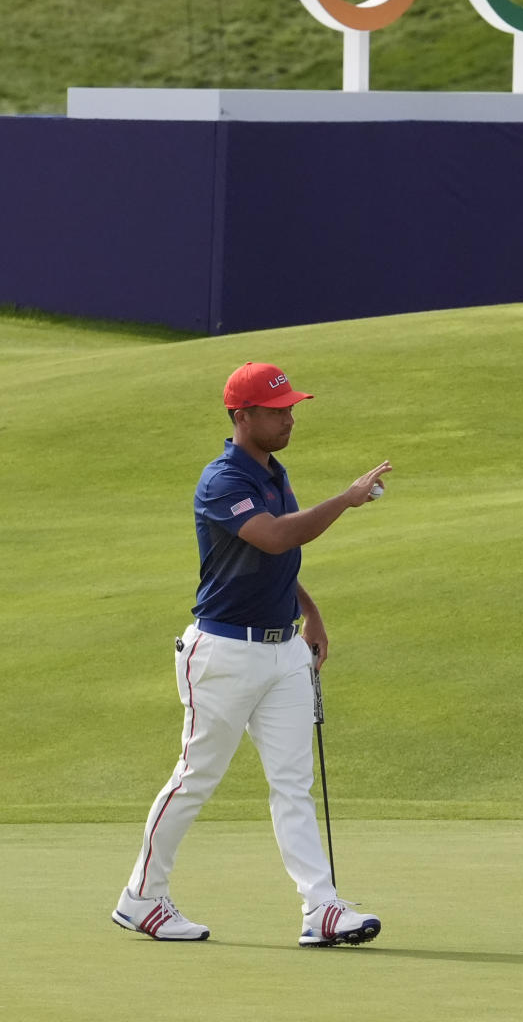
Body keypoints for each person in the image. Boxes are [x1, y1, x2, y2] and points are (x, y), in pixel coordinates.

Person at [112, 361, 391, 946]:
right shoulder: (222, 480)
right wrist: (346, 499)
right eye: (276, 410)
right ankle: (141, 896)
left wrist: (309, 613)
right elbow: (273, 536)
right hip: (221, 652)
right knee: (196, 777)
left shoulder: (272, 472)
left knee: (293, 782)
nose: (289, 417)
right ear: (241, 417)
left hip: (282, 649)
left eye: (291, 407)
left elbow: (277, 559)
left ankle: (322, 908)